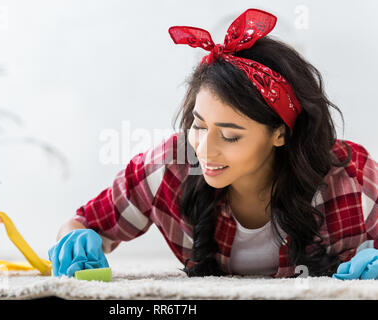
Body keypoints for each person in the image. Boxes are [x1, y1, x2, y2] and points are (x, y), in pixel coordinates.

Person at [49, 8, 377, 279]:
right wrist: (76, 241)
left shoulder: (351, 179)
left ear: (280, 132)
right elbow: (83, 223)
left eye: (230, 135)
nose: (204, 149)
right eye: (199, 126)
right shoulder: (169, 168)